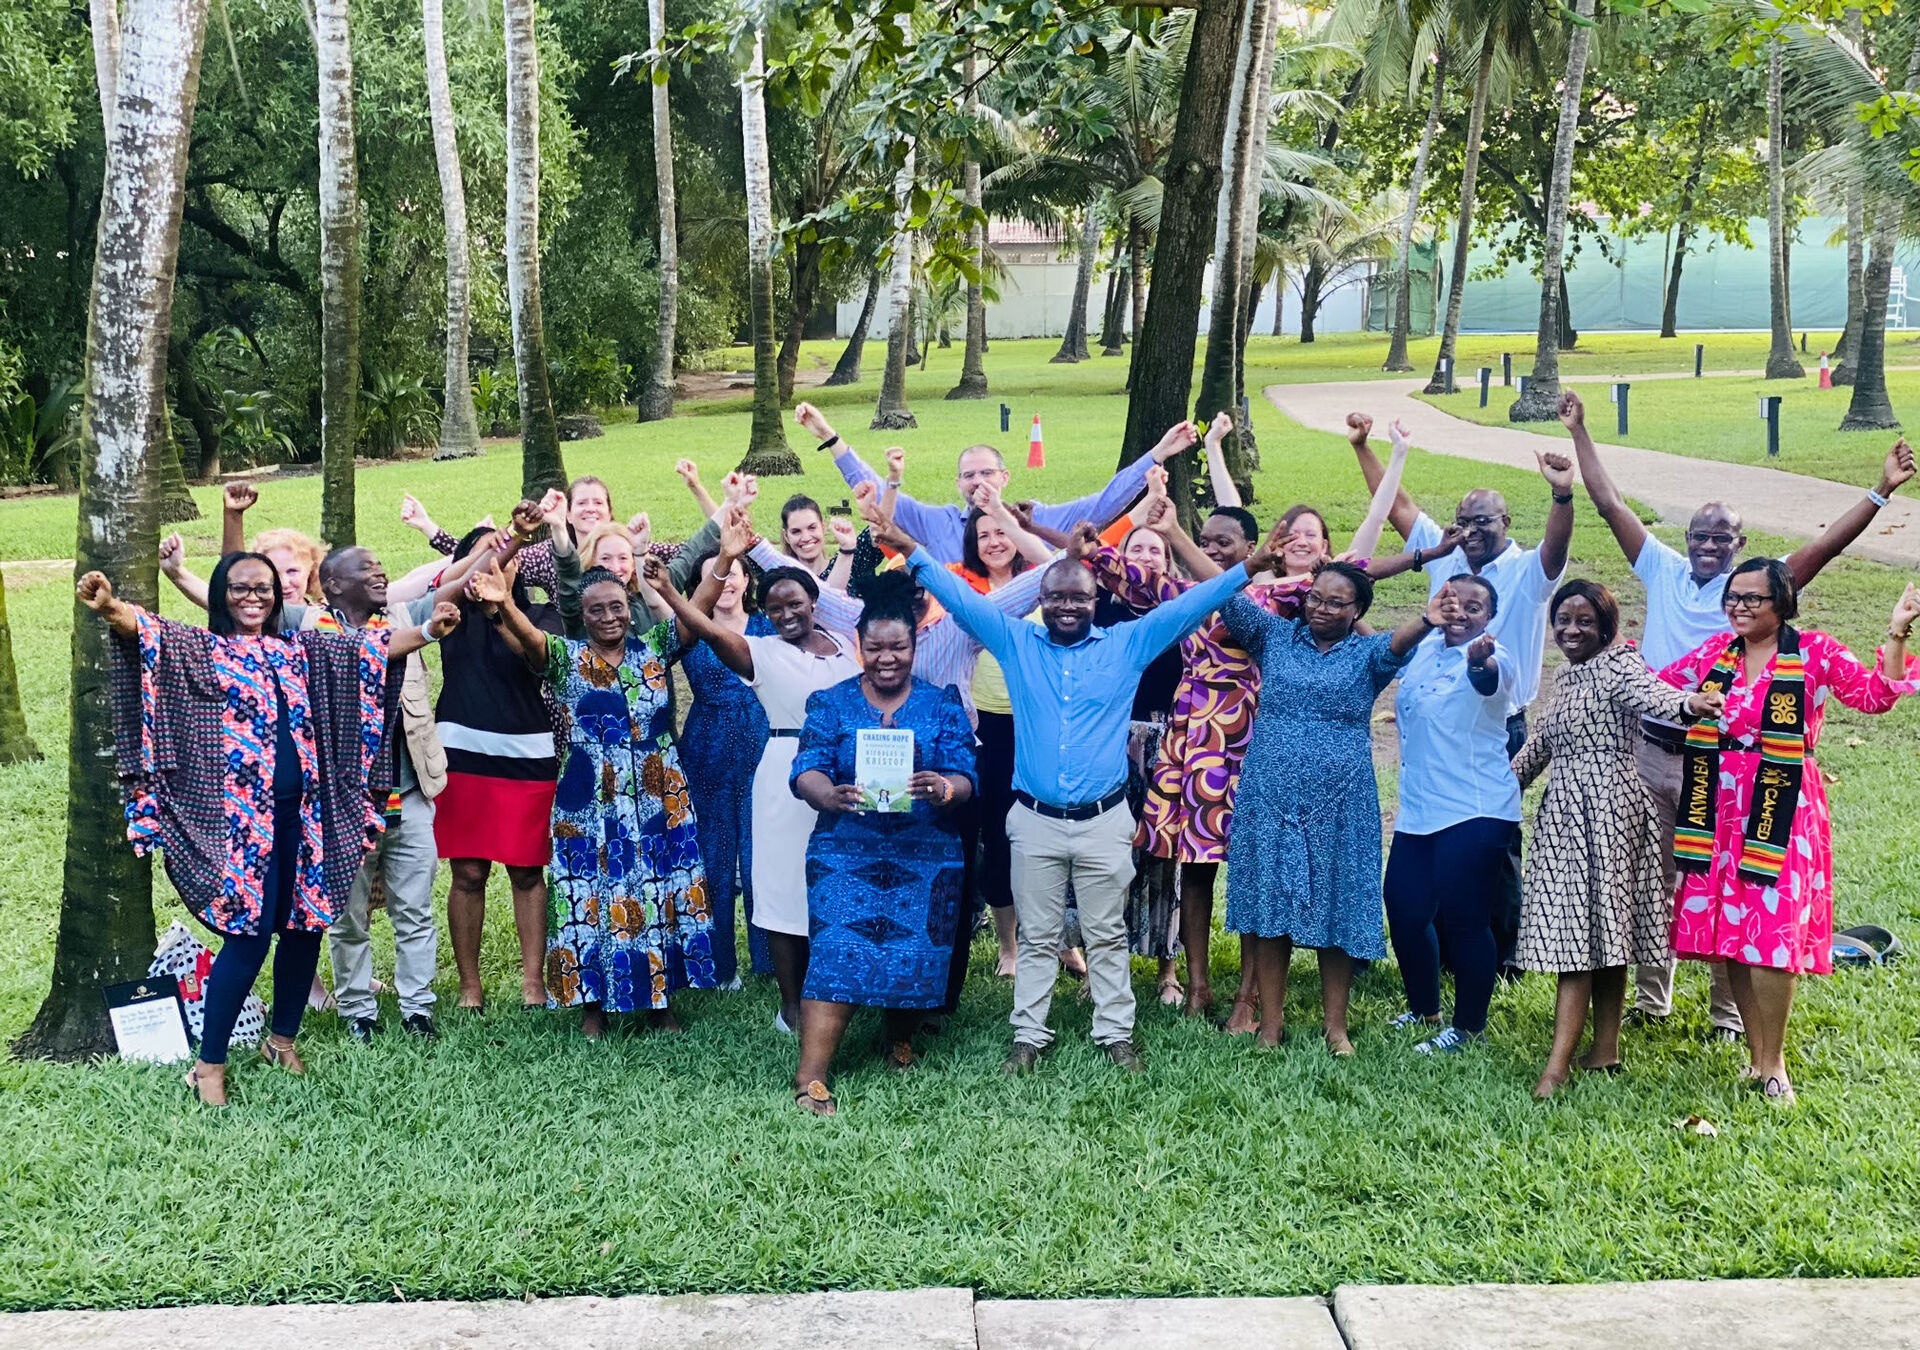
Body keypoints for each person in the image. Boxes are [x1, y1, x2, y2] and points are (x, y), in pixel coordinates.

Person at [1559, 389, 1917, 1039]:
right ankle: (1655, 1002)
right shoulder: (1694, 619)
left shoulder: (1793, 626)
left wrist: (1880, 496)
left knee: (1751, 904)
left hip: (1761, 788)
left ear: (1772, 583)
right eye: (1700, 534)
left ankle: (1739, 1028)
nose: (1709, 545)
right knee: (1676, 889)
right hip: (1684, 771)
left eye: (1722, 538)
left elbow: (1867, 676)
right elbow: (1611, 513)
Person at [877, 509, 1285, 1073]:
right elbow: (964, 601)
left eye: (1079, 598)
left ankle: (1116, 1033)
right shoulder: (1017, 642)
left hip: (1103, 820)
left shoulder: (1127, 644)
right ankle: (1028, 1035)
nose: (1068, 606)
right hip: (1035, 820)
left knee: (1106, 934)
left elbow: (1188, 606)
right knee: (1040, 934)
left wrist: (1245, 571)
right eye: (1057, 598)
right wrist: (913, 551)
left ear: (1096, 601)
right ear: (1041, 600)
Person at [84, 557, 455, 1106]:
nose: (253, 597)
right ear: (221, 593)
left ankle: (281, 1041)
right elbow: (148, 633)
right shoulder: (206, 649)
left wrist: (426, 631)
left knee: (306, 926)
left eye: (263, 588)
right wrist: (111, 606)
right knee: (249, 936)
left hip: (305, 816)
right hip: (241, 823)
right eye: (240, 588)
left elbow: (370, 652)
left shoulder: (299, 651)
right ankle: (209, 1065)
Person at [1653, 560, 1918, 1105]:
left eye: (1754, 599)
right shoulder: (1714, 656)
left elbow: (1877, 695)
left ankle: (1773, 1065)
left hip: (1781, 806)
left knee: (1770, 936)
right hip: (1719, 808)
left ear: (1783, 603)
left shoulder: (1815, 652)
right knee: (1736, 934)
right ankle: (1756, 1055)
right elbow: (1657, 690)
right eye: (1734, 598)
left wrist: (1896, 633)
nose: (1741, 607)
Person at [1349, 413, 1573, 977]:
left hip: (1497, 719)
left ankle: (1502, 955)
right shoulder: (1443, 551)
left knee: (1490, 845)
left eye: (1484, 521)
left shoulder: (1527, 568)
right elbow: (1396, 504)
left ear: (1505, 521)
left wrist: (1562, 494)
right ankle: (1450, 951)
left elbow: (1556, 546)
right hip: (1437, 720)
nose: (1471, 529)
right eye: (1464, 520)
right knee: (1437, 834)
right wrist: (1363, 447)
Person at [469, 557, 716, 1037]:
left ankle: (661, 1005)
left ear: (630, 606)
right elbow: (532, 642)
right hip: (591, 797)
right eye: (597, 610)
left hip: (657, 789)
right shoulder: (567, 660)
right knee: (588, 895)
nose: (609, 617)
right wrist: (503, 605)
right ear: (582, 616)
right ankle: (592, 1008)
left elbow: (697, 615)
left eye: (618, 607)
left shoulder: (654, 648)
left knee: (660, 886)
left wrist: (722, 559)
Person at [1511, 580, 1725, 1098]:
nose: (1571, 629)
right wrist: (1485, 791)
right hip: (1565, 809)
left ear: (1607, 625)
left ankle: (1555, 1069)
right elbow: (1537, 748)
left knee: (1582, 940)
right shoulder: (1564, 677)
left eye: (1585, 620)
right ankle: (1604, 1050)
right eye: (1563, 620)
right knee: (1602, 934)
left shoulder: (1619, 664)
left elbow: (1656, 696)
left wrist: (1691, 704)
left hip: (1609, 808)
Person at [645, 524, 862, 1034]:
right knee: (783, 887)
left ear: (814, 602)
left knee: (836, 882)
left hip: (845, 773)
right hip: (785, 770)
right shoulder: (758, 651)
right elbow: (711, 630)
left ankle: (834, 988)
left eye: (796, 604)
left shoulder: (844, 647)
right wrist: (673, 593)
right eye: (776, 608)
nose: (787, 614)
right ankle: (791, 1006)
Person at [1220, 562, 1443, 1053]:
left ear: (1357, 610)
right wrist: (1177, 536)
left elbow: (1397, 644)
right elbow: (1222, 595)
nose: (1320, 609)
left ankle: (1335, 1027)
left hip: (1341, 801)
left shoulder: (1367, 655)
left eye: (1335, 602)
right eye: (1315, 597)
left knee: (1338, 906)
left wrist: (1427, 618)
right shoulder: (1275, 636)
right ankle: (1272, 1024)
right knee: (1269, 910)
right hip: (1270, 795)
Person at [787, 572, 977, 1114]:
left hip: (928, 852)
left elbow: (966, 774)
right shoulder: (830, 703)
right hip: (845, 851)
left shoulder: (942, 704)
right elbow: (807, 769)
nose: (886, 658)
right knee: (836, 954)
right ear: (859, 646)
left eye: (898, 647)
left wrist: (944, 787)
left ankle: (899, 1037)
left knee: (915, 949)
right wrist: (827, 795)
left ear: (916, 646)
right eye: (874, 647)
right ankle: (811, 1076)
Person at [312, 545, 455, 1044]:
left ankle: (419, 1010)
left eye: (380, 566)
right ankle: (358, 1013)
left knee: (414, 911)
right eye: (367, 569)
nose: (380, 573)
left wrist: (510, 542)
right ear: (332, 584)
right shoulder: (310, 631)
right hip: (345, 807)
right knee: (347, 919)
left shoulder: (397, 618)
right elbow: (226, 601)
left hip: (408, 793)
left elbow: (452, 583)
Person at [795, 400, 1202, 564]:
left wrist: (1159, 453)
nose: (978, 482)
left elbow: (1104, 503)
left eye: (986, 473)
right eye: (969, 476)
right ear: (958, 484)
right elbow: (878, 493)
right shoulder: (939, 523)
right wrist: (831, 438)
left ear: (1004, 477)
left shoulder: (1037, 519)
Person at [1384, 576, 1520, 1056]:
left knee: (1465, 918)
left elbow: (1485, 679)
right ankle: (1424, 1008)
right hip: (1419, 809)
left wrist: (1479, 660)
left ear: (1490, 616)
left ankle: (1469, 1027)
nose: (1461, 612)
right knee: (1403, 909)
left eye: (1474, 606)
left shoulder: (1497, 659)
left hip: (1475, 808)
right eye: (1451, 601)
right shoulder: (1423, 652)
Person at [434, 516, 563, 1010]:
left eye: (506, 550)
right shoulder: (449, 613)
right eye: (487, 551)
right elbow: (468, 578)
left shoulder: (541, 616)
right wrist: (512, 542)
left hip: (527, 754)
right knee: (467, 873)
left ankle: (533, 981)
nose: (498, 557)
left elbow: (535, 659)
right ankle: (470, 986)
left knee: (527, 871)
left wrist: (501, 606)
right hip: (462, 752)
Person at [676, 546, 776, 988]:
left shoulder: (770, 627)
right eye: (716, 576)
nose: (727, 582)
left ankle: (771, 961)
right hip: (708, 749)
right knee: (713, 857)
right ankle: (717, 965)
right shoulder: (690, 633)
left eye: (733, 572)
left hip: (762, 744)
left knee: (762, 856)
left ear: (747, 578)